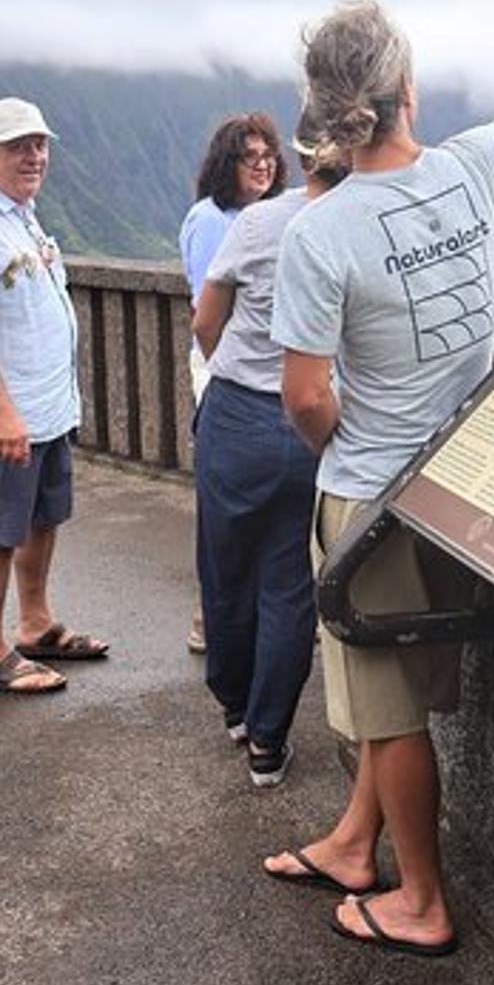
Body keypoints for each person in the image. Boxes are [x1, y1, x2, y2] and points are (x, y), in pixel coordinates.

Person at [266, 0, 494, 957]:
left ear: (327, 106)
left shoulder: (320, 232)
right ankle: (354, 843)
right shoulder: (471, 169)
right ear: (407, 88)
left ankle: (422, 900)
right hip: (455, 487)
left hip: (370, 502)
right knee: (398, 684)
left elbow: (305, 395)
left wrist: (350, 447)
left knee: (386, 711)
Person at [191, 103, 348, 787]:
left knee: (225, 567)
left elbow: (206, 320)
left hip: (235, 415)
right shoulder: (358, 226)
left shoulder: (257, 222)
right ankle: (266, 740)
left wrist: (233, 375)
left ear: (300, 152)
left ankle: (233, 704)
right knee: (288, 585)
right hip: (311, 418)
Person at [0, 97, 110, 696]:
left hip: (47, 407)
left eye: (39, 145)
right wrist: (0, 409)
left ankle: (34, 623)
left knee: (41, 517)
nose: (33, 156)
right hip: (9, 413)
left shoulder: (20, 214)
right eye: (17, 147)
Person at [178, 112, 288, 653]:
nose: (262, 165)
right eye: (250, 157)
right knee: (227, 501)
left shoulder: (266, 216)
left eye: (268, 156)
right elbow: (208, 312)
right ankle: (210, 618)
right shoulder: (210, 220)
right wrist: (230, 376)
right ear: (228, 163)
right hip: (225, 369)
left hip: (259, 371)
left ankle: (258, 616)